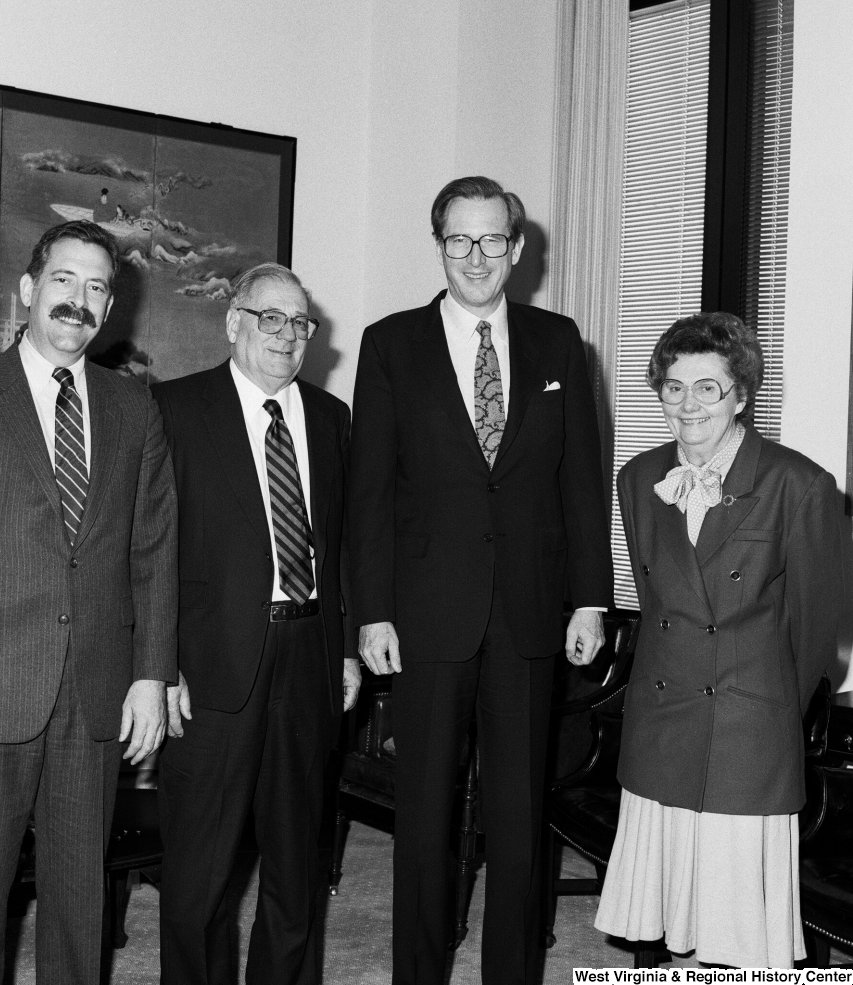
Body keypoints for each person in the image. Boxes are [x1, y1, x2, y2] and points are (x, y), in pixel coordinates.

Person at [0, 220, 179, 985]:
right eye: (63, 280)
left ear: (110, 305)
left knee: (78, 902)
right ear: (28, 289)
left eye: (96, 288)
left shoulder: (134, 410)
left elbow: (153, 553)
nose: (77, 300)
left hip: (93, 690)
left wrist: (151, 674)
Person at [350, 175, 613, 985]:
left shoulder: (559, 340)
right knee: (424, 813)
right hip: (428, 614)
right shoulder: (391, 342)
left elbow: (580, 478)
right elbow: (370, 491)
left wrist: (591, 595)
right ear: (438, 245)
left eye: (492, 239)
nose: (475, 256)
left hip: (532, 610)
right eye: (459, 240)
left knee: (519, 811)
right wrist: (373, 612)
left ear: (517, 247)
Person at [595, 311, 843, 968]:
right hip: (663, 717)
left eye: (708, 387)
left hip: (748, 726)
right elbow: (660, 605)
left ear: (740, 392)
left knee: (738, 936)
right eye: (674, 386)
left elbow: (816, 630)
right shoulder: (637, 478)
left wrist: (766, 715)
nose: (688, 403)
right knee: (668, 911)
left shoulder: (801, 484)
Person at [153, 262, 361, 985]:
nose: (286, 334)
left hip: (310, 653)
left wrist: (345, 644)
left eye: (299, 322)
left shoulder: (333, 419)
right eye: (269, 317)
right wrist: (158, 662)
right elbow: (144, 552)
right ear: (234, 322)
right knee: (197, 880)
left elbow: (340, 543)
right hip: (207, 664)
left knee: (297, 866)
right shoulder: (173, 408)